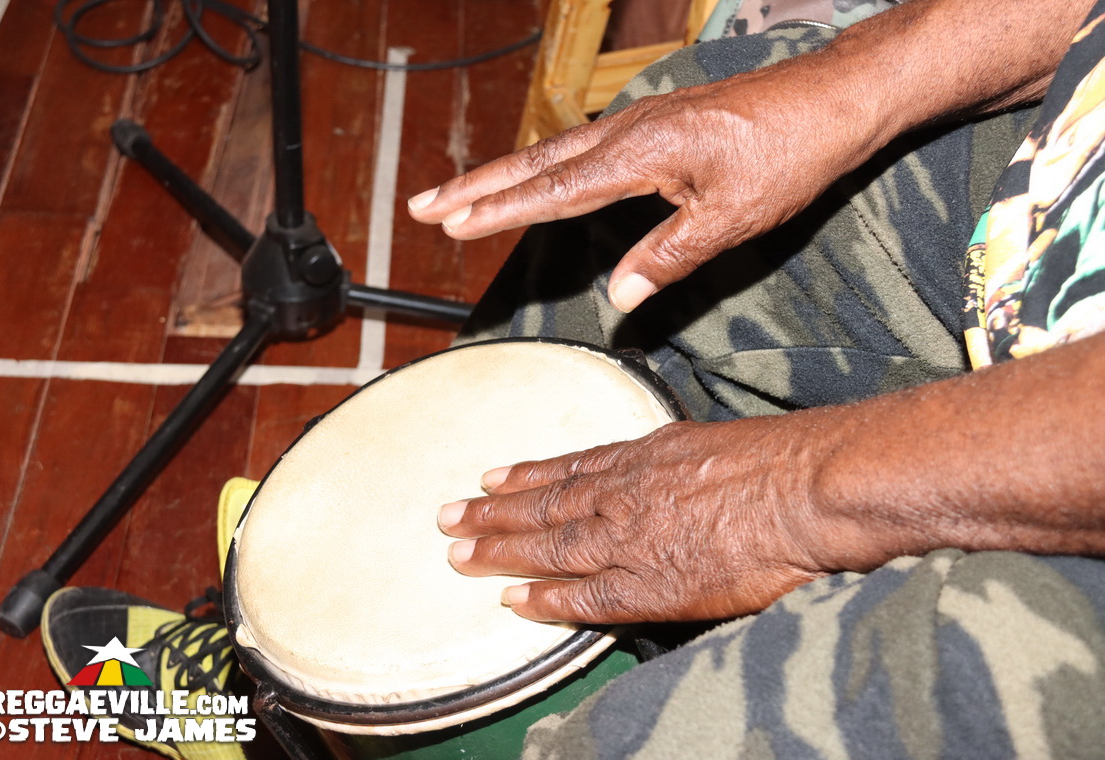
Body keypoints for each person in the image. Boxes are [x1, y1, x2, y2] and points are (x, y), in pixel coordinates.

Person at [401, 0, 1105, 755]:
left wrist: (795, 491)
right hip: (1062, 209)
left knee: (653, 739)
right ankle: (439, 549)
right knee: (659, 187)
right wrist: (853, 84)